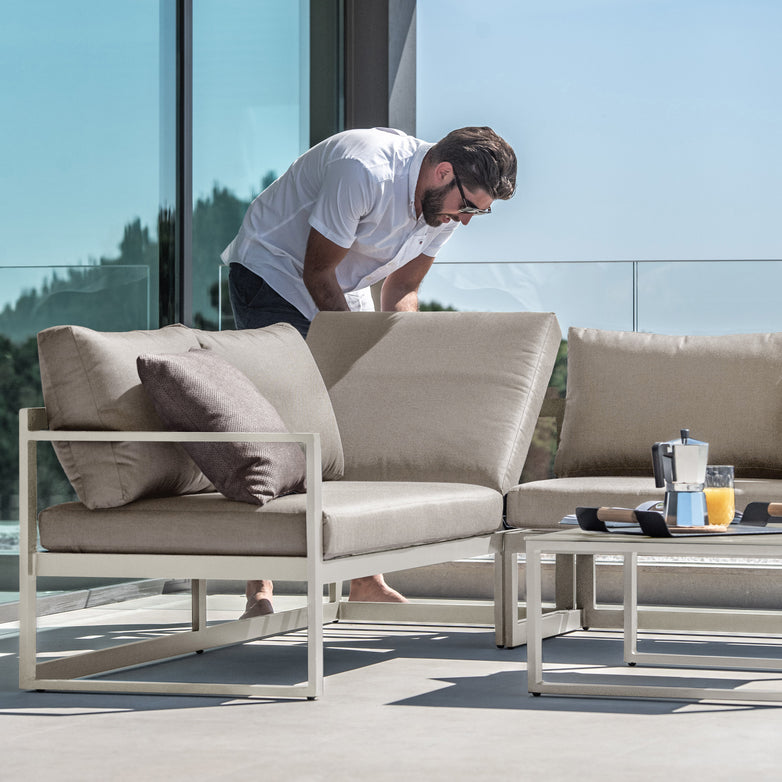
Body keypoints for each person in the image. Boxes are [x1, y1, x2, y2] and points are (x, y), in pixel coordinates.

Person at [221, 125, 517, 618]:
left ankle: (365, 580)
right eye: (468, 207)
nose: (464, 221)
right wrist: (352, 356)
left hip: (342, 282)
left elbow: (401, 286)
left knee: (354, 421)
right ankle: (260, 588)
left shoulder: (441, 203)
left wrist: (400, 361)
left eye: (477, 214)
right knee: (275, 424)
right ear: (443, 173)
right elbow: (316, 271)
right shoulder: (365, 170)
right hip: (273, 270)